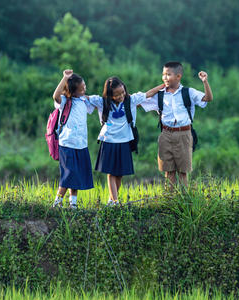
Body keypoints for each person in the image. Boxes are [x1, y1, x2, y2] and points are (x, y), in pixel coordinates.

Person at [88, 77, 164, 205]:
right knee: (111, 172)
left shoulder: (131, 100)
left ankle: (112, 200)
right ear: (110, 95)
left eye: (122, 92)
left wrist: (164, 85)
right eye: (117, 94)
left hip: (125, 141)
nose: (121, 96)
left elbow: (148, 93)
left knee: (120, 173)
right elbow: (85, 97)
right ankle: (115, 201)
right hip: (109, 140)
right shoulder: (102, 102)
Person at [141, 62, 213, 187]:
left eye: (168, 74)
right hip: (166, 134)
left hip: (184, 133)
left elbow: (208, 98)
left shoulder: (188, 92)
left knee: (183, 171)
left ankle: (184, 199)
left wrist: (205, 82)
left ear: (178, 76)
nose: (165, 77)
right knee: (168, 171)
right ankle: (170, 200)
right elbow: (140, 100)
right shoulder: (160, 94)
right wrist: (158, 88)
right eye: (163, 74)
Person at [51, 69, 95, 209]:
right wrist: (65, 78)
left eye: (84, 87)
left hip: (81, 144)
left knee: (76, 174)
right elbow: (55, 96)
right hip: (67, 143)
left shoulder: (84, 101)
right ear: (73, 91)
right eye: (82, 89)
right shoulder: (65, 101)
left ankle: (73, 203)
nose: (84, 90)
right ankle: (57, 201)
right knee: (68, 173)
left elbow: (97, 100)